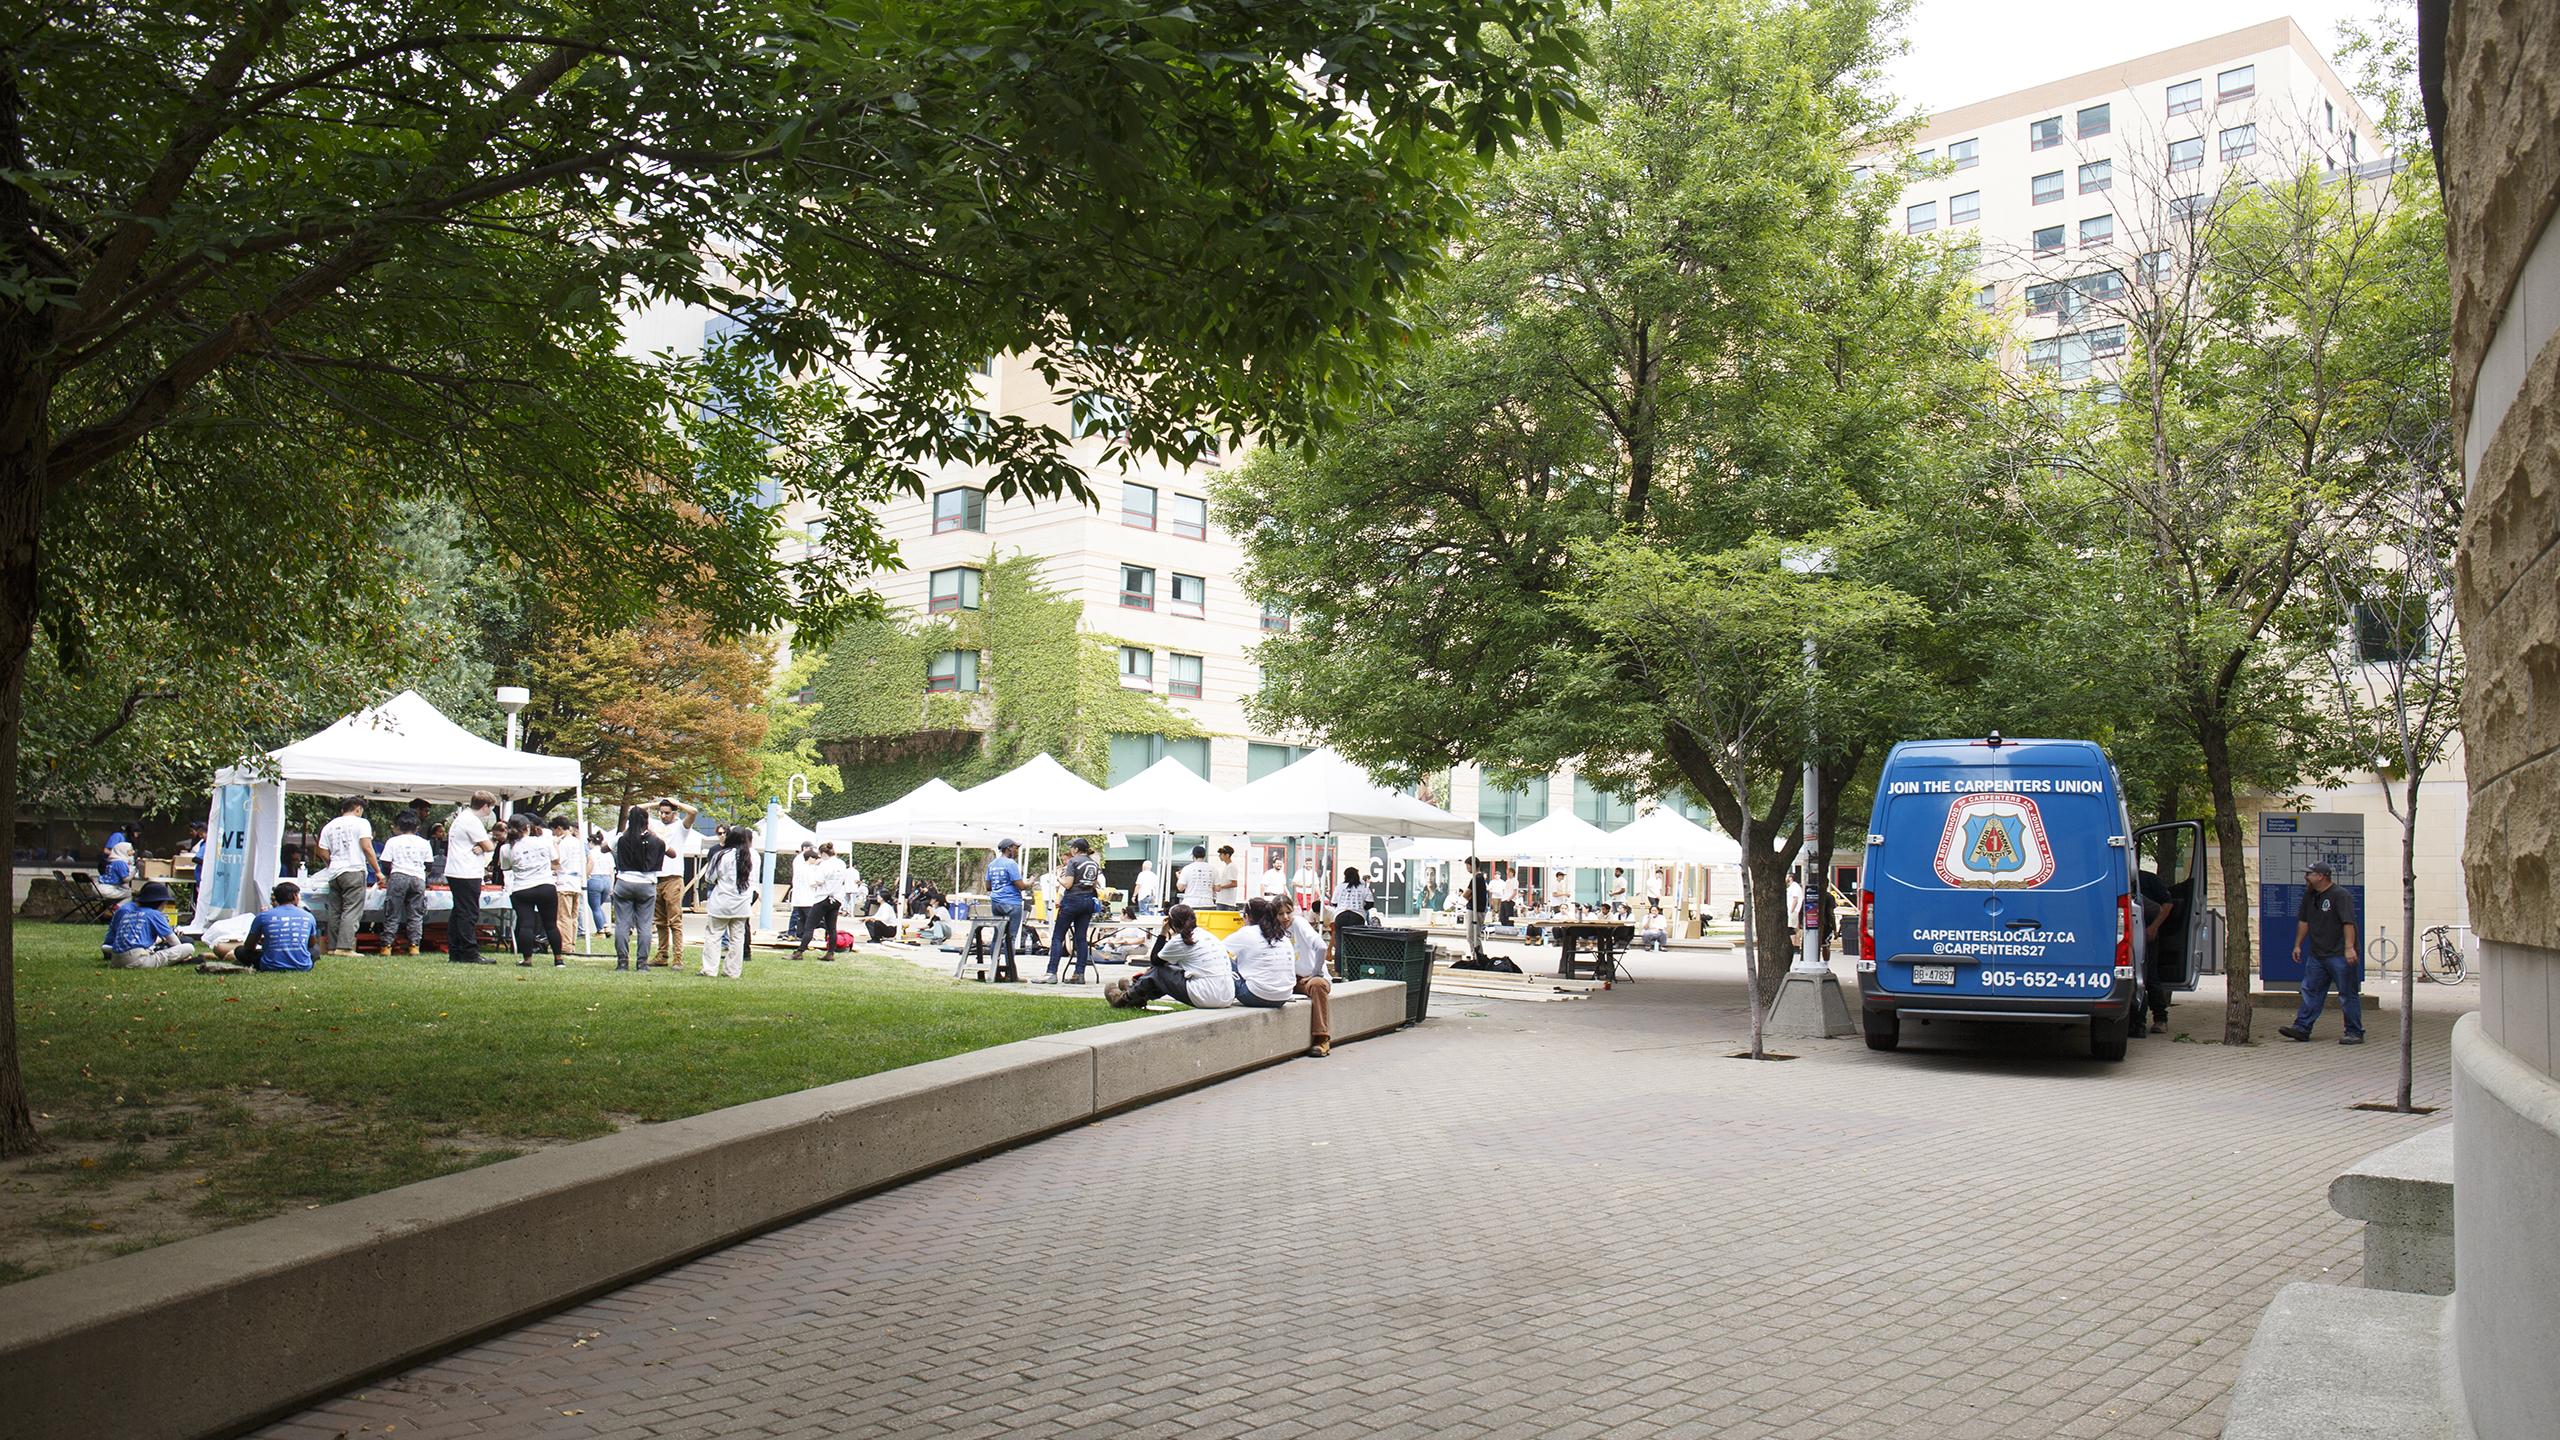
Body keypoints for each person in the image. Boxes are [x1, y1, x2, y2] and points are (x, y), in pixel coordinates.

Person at [2281, 862, 2364, 1044]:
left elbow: (2348, 923)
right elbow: (2304, 921)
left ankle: (2354, 1032)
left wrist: (2349, 948)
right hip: (2318, 954)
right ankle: (2302, 1028)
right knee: (2311, 991)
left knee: (2347, 994)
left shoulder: (2340, 895)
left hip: (2339, 954)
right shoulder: (2309, 896)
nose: (2306, 877)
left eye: (2309, 874)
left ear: (2321, 876)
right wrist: (2298, 945)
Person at [1106, 905, 1237, 1009]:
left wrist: (1163, 932)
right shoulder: (1207, 935)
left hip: (1207, 996)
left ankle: (1124, 999)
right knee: (1167, 969)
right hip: (1226, 994)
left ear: (1172, 922)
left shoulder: (1180, 941)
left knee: (1159, 972)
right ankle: (1137, 996)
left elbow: (1155, 961)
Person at [313, 796, 379, 958]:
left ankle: (332, 947)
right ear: (358, 808)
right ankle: (345, 947)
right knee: (352, 909)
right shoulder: (362, 823)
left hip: (334, 872)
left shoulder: (330, 826)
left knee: (335, 910)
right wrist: (377, 870)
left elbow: (321, 850)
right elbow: (367, 847)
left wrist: (332, 862)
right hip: (354, 869)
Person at [498, 814, 564, 967]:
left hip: (522, 888)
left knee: (526, 925)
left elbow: (506, 867)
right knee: (551, 924)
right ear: (527, 827)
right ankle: (558, 959)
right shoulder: (542, 842)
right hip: (545, 885)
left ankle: (527, 959)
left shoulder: (506, 848)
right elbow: (555, 860)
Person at [1274, 895, 1334, 1057]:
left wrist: (1315, 972)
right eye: (1280, 914)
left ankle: (1322, 1038)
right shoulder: (1273, 929)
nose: (1285, 917)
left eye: (1288, 912)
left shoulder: (1299, 923)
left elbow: (1321, 947)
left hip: (1310, 978)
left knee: (1317, 985)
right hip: (1290, 980)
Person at [609, 806, 666, 971]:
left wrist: (625, 833)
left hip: (624, 881)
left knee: (622, 924)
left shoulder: (621, 838)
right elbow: (672, 853)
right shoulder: (655, 840)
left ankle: (622, 962)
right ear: (646, 822)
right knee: (645, 925)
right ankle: (642, 963)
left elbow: (606, 848)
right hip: (647, 884)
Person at [445, 792, 498, 964]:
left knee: (459, 912)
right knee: (468, 913)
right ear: (485, 806)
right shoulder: (472, 821)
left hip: (456, 870)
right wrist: (485, 845)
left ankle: (456, 951)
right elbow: (489, 846)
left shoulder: (461, 818)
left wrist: (481, 847)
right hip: (466, 871)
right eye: (491, 808)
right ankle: (469, 952)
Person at [1226, 896, 1301, 1017]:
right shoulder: (1281, 934)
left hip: (1256, 996)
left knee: (1224, 961)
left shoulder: (1247, 932)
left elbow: (1217, 950)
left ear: (1248, 916)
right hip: (1283, 997)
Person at [1043, 837, 1103, 983]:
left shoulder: (1073, 861)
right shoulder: (1093, 863)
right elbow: (1095, 884)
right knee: (1081, 938)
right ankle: (1079, 974)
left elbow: (1068, 884)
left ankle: (1051, 973)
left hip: (1072, 900)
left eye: (1072, 847)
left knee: (1058, 937)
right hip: (1088, 900)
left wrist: (1058, 878)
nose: (1070, 850)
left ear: (1076, 849)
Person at [700, 825, 756, 978]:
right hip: (742, 903)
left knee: (713, 935)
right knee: (737, 938)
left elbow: (709, 877)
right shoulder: (753, 857)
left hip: (722, 901)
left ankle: (709, 969)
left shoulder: (721, 855)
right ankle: (733, 971)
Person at [648, 796, 698, 968]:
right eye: (661, 813)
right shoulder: (655, 824)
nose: (663, 816)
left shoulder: (680, 827)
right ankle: (662, 955)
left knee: (675, 920)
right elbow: (635, 809)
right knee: (660, 920)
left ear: (674, 813)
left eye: (667, 813)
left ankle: (678, 958)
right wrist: (656, 803)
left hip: (673, 877)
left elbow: (693, 812)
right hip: (657, 876)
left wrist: (675, 803)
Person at [377, 812, 435, 955]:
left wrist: (388, 875)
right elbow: (429, 865)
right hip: (418, 878)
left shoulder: (393, 841)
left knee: (392, 912)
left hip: (398, 876)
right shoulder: (424, 842)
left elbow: (385, 862)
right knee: (416, 914)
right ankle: (414, 946)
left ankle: (387, 946)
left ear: (398, 826)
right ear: (417, 827)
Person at [103, 881, 193, 968]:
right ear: (162, 902)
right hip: (136, 959)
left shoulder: (129, 913)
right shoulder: (155, 914)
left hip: (115, 959)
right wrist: (183, 955)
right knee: (188, 947)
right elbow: (175, 943)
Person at [234, 881, 319, 972]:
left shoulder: (263, 916)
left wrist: (266, 942)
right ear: (295, 896)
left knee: (240, 951)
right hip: (303, 966)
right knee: (316, 949)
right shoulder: (308, 916)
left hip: (269, 966)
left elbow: (249, 947)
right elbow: (311, 944)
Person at [792, 842, 847, 962]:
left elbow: (818, 881)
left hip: (823, 897)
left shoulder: (825, 865)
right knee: (832, 927)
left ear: (823, 853)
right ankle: (830, 952)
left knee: (809, 926)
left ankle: (799, 951)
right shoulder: (841, 864)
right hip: (836, 898)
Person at [2137, 868, 2177, 1029]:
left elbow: (2167, 905)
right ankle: (2137, 1021)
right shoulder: (2118, 876)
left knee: (2150, 976)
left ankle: (2160, 1018)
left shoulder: (2147, 879)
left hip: (2147, 935)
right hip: (2129, 936)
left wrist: (2153, 927)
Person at [983, 838, 1028, 976]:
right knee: (1011, 938)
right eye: (1016, 848)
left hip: (996, 903)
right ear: (1009, 848)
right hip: (1012, 903)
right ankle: (1010, 973)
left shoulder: (992, 864)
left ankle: (994, 970)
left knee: (998, 936)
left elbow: (988, 886)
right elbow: (1020, 886)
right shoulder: (1011, 864)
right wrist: (1030, 883)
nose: (1017, 850)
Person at [548, 816, 586, 949]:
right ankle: (571, 943)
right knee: (573, 916)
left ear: (558, 829)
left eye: (554, 831)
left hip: (564, 881)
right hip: (576, 882)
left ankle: (564, 944)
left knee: (563, 916)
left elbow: (558, 861)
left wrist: (554, 846)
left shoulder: (564, 843)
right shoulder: (578, 842)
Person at [585, 829, 614, 936]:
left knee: (595, 907)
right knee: (598, 906)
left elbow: (590, 864)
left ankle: (600, 929)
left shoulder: (591, 853)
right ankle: (606, 925)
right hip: (607, 880)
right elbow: (612, 870)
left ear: (591, 842)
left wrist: (585, 876)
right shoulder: (607, 854)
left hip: (594, 879)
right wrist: (611, 885)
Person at [1330, 866, 1373, 934]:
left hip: (1340, 916)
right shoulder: (1364, 887)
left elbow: (1334, 903)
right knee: (1355, 941)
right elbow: (1370, 904)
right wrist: (1363, 907)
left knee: (1340, 939)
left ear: (1345, 876)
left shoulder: (1339, 887)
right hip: (1358, 916)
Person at [1176, 844, 1216, 910]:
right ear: (1204, 856)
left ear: (1193, 856)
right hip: (1208, 904)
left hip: (1191, 903)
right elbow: (1218, 888)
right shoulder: (1213, 869)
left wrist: (1179, 878)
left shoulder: (1187, 868)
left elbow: (1180, 888)